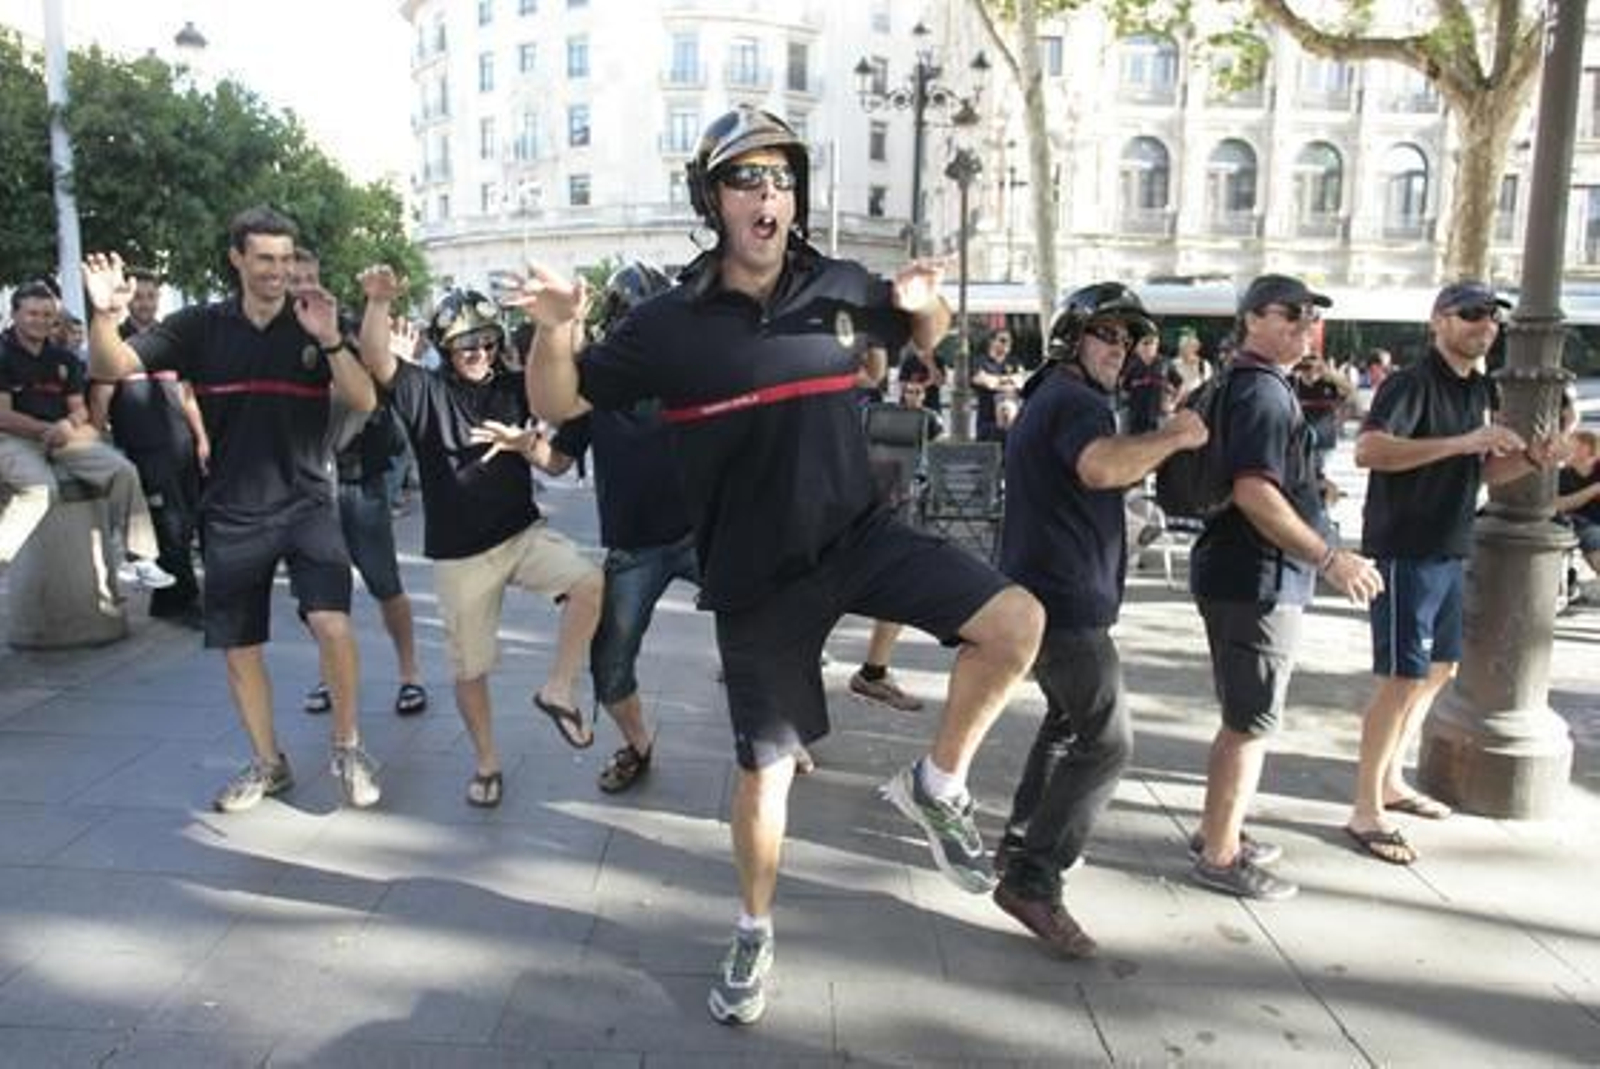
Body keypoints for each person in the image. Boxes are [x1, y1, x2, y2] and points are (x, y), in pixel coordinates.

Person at [516, 106, 1043, 1027]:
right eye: (747, 179)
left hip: (859, 535)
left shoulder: (837, 283)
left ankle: (938, 782)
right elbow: (561, 398)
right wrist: (558, 329)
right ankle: (754, 928)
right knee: (766, 771)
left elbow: (927, 335)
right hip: (755, 577)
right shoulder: (667, 324)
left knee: (1015, 623)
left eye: (783, 177)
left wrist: (929, 303)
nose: (770, 195)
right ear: (711, 199)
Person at [83, 206, 382, 814]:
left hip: (306, 503)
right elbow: (109, 367)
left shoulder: (315, 319)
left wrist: (329, 339)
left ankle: (348, 746)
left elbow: (363, 398)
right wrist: (105, 315)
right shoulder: (199, 327)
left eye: (286, 258)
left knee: (333, 625)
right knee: (240, 647)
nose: (278, 271)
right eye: (264, 259)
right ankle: (269, 765)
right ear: (237, 260)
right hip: (232, 512)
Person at [994, 282, 1207, 957]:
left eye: (1127, 337)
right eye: (1106, 334)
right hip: (1063, 606)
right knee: (1109, 742)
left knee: (1065, 726)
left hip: (1047, 595)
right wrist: (1173, 435)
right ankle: (1035, 876)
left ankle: (1017, 846)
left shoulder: (1050, 395)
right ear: (1072, 338)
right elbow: (1098, 467)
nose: (1120, 348)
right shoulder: (1076, 400)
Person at [354, 269, 604, 809]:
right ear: (446, 345)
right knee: (469, 668)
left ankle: (558, 688)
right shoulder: (425, 389)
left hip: (521, 533)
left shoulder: (517, 389)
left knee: (590, 583)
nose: (477, 351)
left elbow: (558, 450)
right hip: (460, 556)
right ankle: (487, 763)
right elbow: (376, 361)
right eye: (464, 342)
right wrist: (377, 302)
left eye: (485, 339)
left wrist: (526, 443)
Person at [1344, 281, 1562, 864]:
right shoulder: (1411, 383)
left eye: (1492, 317)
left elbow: (1480, 474)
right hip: (1405, 549)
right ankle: (1366, 807)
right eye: (1471, 314)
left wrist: (1532, 459)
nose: (1484, 325)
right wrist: (1465, 440)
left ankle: (1391, 779)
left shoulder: (1478, 388)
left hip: (1449, 546)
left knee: (1438, 671)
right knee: (1400, 677)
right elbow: (1369, 452)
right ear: (1438, 321)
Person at [1189, 274, 1384, 901]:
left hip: (1238, 569)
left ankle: (1220, 830)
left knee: (1243, 713)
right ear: (1251, 319)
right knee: (1252, 720)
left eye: (1310, 316)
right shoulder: (1263, 393)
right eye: (1290, 314)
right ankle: (1220, 856)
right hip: (1257, 575)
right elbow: (1253, 491)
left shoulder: (1239, 383)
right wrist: (1331, 557)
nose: (1304, 325)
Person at [541, 260, 701, 793]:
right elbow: (558, 461)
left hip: (703, 533)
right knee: (608, 665)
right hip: (634, 549)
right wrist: (525, 446)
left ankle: (780, 735)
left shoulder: (691, 374)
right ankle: (638, 746)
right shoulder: (594, 385)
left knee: (767, 629)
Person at [284, 248, 428, 721]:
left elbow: (375, 388)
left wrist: (391, 362)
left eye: (310, 275)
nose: (304, 284)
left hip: (356, 479)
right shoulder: (270, 340)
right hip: (303, 487)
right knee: (316, 598)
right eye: (295, 277)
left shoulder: (342, 325)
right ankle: (333, 673)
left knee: (386, 584)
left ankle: (410, 675)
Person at [1, 280, 173, 591]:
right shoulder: (2, 353)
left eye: (46, 315)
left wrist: (68, 425)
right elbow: (3, 415)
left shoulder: (63, 358)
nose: (40, 321)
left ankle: (140, 558)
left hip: (62, 437)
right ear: (14, 315)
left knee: (123, 470)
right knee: (40, 490)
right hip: (14, 438)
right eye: (32, 314)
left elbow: (79, 408)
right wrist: (46, 429)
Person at [87, 269, 209, 625]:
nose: (144, 303)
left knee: (187, 523)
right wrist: (95, 442)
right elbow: (100, 397)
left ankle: (170, 598)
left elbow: (187, 395)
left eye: (150, 296)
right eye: (138, 296)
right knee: (168, 526)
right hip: (145, 450)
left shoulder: (171, 340)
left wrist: (202, 439)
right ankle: (178, 601)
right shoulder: (115, 343)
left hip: (183, 446)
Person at [1557, 429, 1600, 596]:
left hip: (1593, 527)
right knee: (1581, 528)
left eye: (1571, 442)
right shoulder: (1563, 474)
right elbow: (1558, 505)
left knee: (1591, 533)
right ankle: (1565, 584)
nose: (1565, 446)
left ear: (1586, 448)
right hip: (1572, 524)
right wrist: (1593, 490)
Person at [1118, 330, 1176, 435]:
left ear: (1157, 344)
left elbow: (1179, 383)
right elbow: (1122, 386)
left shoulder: (1164, 363)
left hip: (1158, 415)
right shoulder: (1131, 363)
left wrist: (1173, 402)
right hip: (1135, 414)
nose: (1149, 346)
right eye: (1145, 343)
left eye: (1153, 342)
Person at [972, 328, 1024, 443]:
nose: (1007, 344)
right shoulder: (981, 361)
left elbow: (1020, 382)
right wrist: (1009, 380)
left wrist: (996, 381)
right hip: (988, 424)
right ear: (992, 342)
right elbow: (984, 381)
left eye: (1010, 341)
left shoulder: (1014, 362)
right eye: (1003, 340)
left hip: (1012, 425)